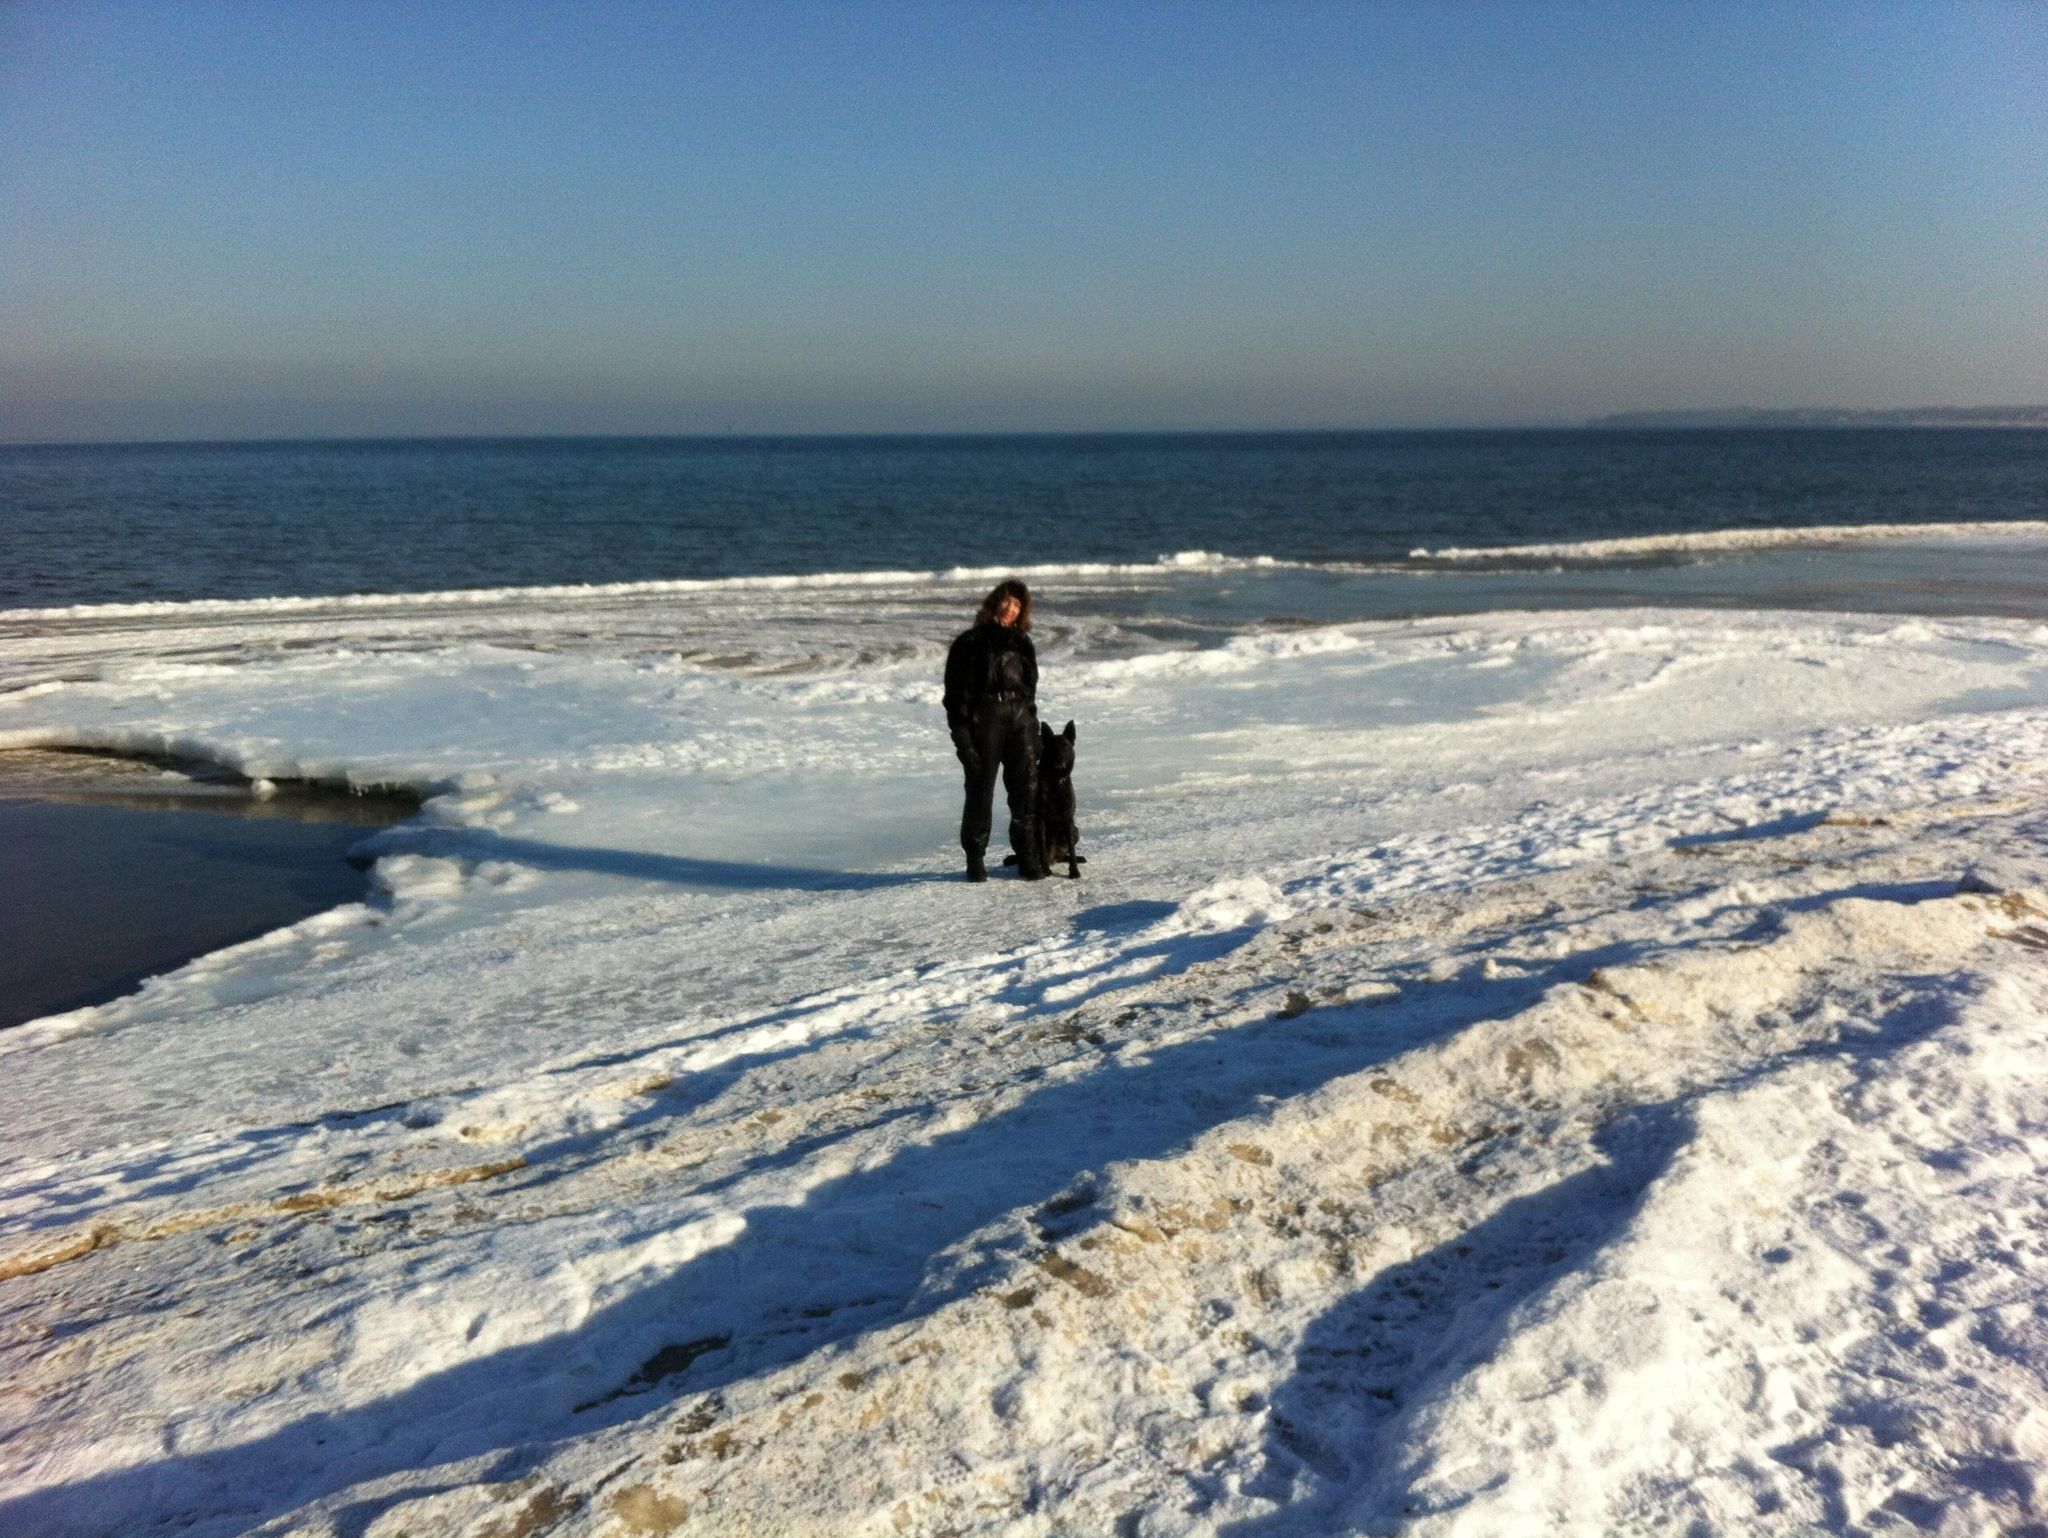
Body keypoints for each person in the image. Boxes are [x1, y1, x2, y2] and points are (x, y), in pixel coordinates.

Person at [944, 578, 1048, 882]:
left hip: (1020, 719)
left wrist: (1034, 730)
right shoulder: (970, 642)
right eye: (1006, 601)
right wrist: (963, 740)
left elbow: (1030, 691)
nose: (1010, 608)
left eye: (1017, 604)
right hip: (985, 718)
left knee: (1025, 789)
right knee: (980, 788)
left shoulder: (1023, 643)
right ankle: (975, 859)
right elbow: (955, 697)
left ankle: (1027, 855)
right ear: (993, 602)